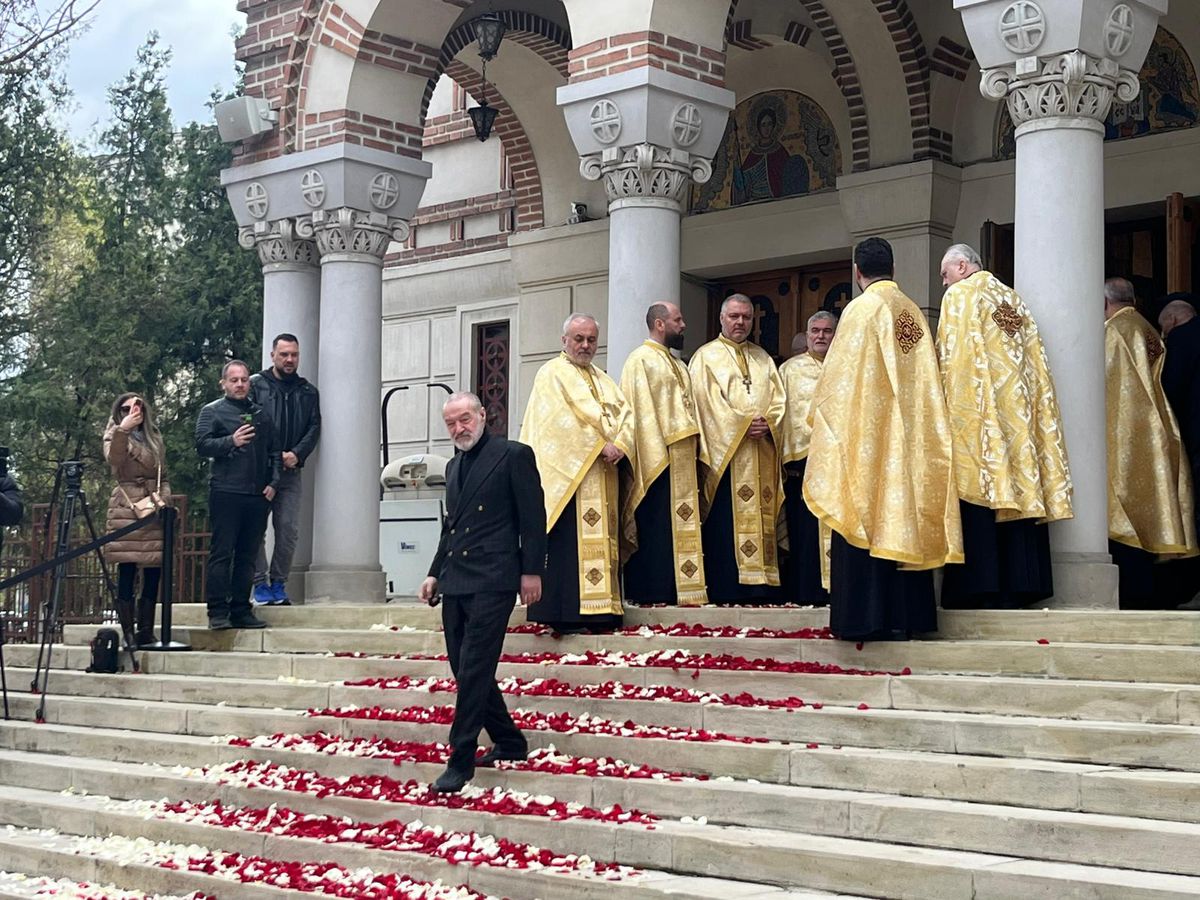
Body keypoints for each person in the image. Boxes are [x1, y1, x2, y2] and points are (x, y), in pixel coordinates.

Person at [804, 237, 962, 641]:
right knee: (904, 518)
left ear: (858, 272)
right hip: (910, 443)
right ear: (894, 268)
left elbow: (838, 384)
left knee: (866, 515)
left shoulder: (862, 310)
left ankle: (866, 618)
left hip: (870, 444)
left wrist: (818, 418)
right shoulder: (911, 312)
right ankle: (909, 617)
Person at [419, 392, 546, 794]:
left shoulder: (513, 455)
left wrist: (531, 572)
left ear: (482, 416)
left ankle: (460, 760)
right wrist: (434, 573)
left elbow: (534, 517)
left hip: (495, 577)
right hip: (456, 579)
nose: (459, 428)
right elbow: (451, 527)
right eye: (451, 423)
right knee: (464, 668)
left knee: (474, 667)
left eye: (464, 419)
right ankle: (509, 740)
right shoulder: (454, 466)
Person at [935, 244, 1073, 609]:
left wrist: (947, 411)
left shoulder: (961, 296)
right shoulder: (1012, 299)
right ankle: (1024, 583)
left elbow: (954, 358)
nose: (944, 283)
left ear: (962, 267)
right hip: (1019, 420)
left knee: (982, 487)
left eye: (945, 274)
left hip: (981, 418)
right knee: (1016, 489)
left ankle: (979, 586)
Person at [520, 313, 634, 634]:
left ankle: (602, 613)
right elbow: (557, 424)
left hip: (604, 475)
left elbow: (627, 415)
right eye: (579, 339)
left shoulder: (603, 378)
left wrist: (622, 443)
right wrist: (599, 445)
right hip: (570, 478)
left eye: (591, 340)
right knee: (567, 547)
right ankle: (564, 613)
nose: (585, 345)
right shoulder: (551, 374)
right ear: (564, 340)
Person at [1104, 278, 1197, 608]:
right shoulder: (1146, 328)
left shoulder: (1115, 331)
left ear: (1104, 303)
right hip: (1157, 430)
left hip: (1126, 431)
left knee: (1125, 513)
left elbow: (1103, 382)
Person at [688, 294, 786, 604]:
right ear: (721, 319)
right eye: (734, 316)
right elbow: (707, 405)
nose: (740, 322)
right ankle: (728, 587)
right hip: (727, 458)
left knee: (762, 518)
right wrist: (743, 424)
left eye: (745, 317)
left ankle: (763, 586)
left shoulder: (763, 359)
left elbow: (780, 400)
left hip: (762, 455)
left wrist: (769, 422)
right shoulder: (705, 358)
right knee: (725, 522)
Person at [619, 302, 707, 607]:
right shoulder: (639, 360)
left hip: (683, 456)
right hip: (657, 456)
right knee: (657, 524)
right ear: (659, 324)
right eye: (677, 320)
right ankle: (652, 591)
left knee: (679, 525)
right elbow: (638, 411)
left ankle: (680, 590)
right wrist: (656, 449)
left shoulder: (679, 364)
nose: (683, 325)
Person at [195, 360, 281, 631]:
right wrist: (231, 441)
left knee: (247, 555)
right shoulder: (212, 412)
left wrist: (274, 482)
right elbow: (202, 445)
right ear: (223, 383)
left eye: (244, 380)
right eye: (234, 380)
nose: (240, 384)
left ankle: (242, 609)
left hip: (256, 494)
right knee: (222, 553)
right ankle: (218, 611)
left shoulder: (261, 415)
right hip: (225, 491)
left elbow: (274, 452)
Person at [250, 333, 321, 606]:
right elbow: (249, 422)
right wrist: (269, 454)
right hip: (262, 470)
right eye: (284, 354)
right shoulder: (257, 386)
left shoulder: (307, 391)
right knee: (256, 528)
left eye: (294, 354)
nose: (289, 359)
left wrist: (297, 454)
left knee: (288, 529)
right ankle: (259, 583)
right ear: (273, 356)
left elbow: (315, 427)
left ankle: (279, 583)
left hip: (291, 471)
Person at [102, 394, 172, 647]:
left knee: (153, 570)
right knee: (127, 569)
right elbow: (115, 460)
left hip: (153, 506)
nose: (133, 410)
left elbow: (163, 473)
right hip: (127, 506)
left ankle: (146, 630)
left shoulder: (154, 436)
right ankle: (128, 632)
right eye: (126, 408)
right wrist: (124, 430)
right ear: (118, 411)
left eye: (138, 406)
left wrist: (165, 498)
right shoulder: (114, 433)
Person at [779, 312, 836, 606]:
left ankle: (837, 592)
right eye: (815, 330)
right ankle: (804, 593)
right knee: (804, 533)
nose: (821, 336)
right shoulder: (790, 370)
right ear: (807, 333)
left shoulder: (845, 366)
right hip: (803, 464)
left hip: (839, 466)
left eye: (827, 331)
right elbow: (782, 416)